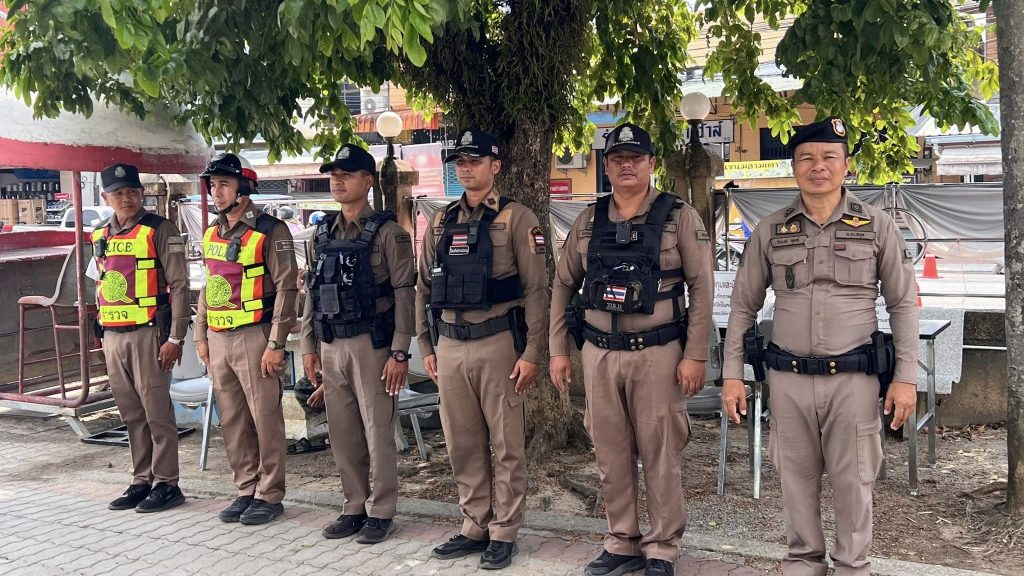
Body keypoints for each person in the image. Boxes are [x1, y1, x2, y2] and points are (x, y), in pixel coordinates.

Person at [721, 117, 919, 576]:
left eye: (829, 156)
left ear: (846, 166)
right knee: (795, 479)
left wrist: (905, 378)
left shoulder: (877, 226)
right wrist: (732, 374)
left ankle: (852, 566)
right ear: (793, 167)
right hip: (788, 380)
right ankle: (804, 562)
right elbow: (743, 306)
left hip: (854, 380)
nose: (818, 166)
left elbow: (903, 304)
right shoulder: (771, 229)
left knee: (855, 480)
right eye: (806, 158)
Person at [549, 123, 714, 576]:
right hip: (599, 353)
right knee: (610, 453)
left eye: (635, 158)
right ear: (606, 166)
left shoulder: (679, 216)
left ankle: (662, 548)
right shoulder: (589, 219)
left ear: (651, 163)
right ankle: (622, 541)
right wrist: (558, 349)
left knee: (661, 453)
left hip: (658, 352)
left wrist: (695, 354)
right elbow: (563, 284)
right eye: (617, 158)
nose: (626, 165)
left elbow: (702, 287)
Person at [415, 128, 548, 570]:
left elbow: (537, 290)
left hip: (498, 345)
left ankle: (504, 531)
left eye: (475, 160)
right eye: (461, 161)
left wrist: (532, 352)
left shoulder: (517, 218)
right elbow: (422, 287)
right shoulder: (440, 220)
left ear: (495, 166)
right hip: (450, 346)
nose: (466, 168)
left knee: (506, 443)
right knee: (463, 442)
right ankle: (475, 525)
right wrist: (425, 344)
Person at [301, 144, 416, 544]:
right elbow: (312, 291)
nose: (337, 181)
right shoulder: (320, 233)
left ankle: (381, 511)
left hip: (373, 345)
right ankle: (353, 505)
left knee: (378, 430)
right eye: (333, 174)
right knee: (343, 431)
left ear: (368, 181)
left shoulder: (389, 233)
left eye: (346, 174)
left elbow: (405, 293)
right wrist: (308, 345)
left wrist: (399, 351)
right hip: (331, 344)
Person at [194, 153, 299, 526]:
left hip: (256, 336)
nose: (216, 191)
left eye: (224, 184)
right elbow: (209, 285)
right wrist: (200, 333)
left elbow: (287, 288)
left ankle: (269, 493)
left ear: (243, 188)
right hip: (219, 337)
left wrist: (276, 343)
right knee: (232, 419)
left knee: (265, 418)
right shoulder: (212, 232)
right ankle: (246, 488)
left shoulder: (271, 230)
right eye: (213, 185)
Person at [93, 162, 190, 513]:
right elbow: (100, 281)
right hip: (113, 335)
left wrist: (175, 338)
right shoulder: (100, 234)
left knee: (156, 413)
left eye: (133, 191)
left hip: (149, 333)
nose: (127, 198)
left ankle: (167, 483)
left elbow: (180, 286)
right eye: (118, 193)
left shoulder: (159, 229)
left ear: (141, 193)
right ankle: (141, 480)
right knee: (131, 413)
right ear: (105, 197)